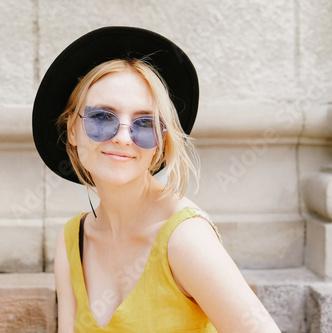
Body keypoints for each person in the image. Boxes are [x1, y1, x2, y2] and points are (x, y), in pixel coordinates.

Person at [32, 26, 280, 332]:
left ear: (162, 141)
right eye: (102, 117)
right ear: (71, 129)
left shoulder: (185, 237)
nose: (123, 137)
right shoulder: (73, 239)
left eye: (144, 123)